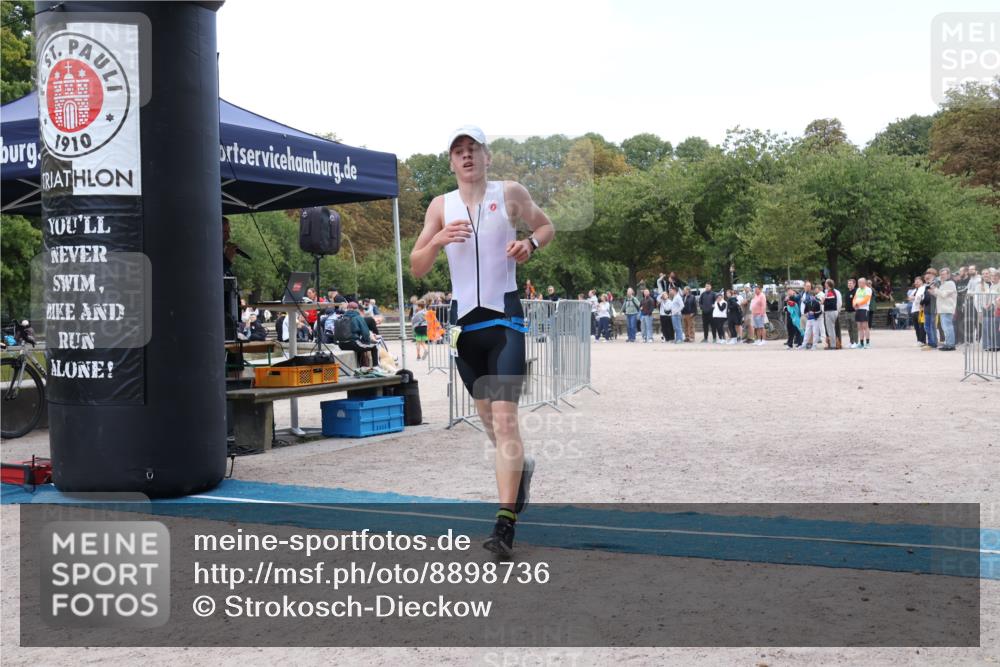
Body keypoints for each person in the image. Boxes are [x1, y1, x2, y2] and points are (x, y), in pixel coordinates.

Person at [409, 125, 554, 557]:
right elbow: (416, 266)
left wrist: (530, 244)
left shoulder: (510, 192)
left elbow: (546, 226)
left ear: (487, 156)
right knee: (490, 423)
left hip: (505, 321)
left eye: (473, 148)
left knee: (506, 421)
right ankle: (521, 465)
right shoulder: (441, 206)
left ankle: (504, 525)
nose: (467, 155)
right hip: (464, 331)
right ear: (451, 162)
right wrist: (437, 239)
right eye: (459, 151)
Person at [930, 267, 958, 351]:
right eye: (940, 274)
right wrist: (933, 291)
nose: (941, 276)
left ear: (948, 275)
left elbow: (944, 295)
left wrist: (935, 289)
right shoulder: (942, 284)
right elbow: (939, 296)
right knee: (945, 327)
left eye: (943, 274)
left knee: (948, 327)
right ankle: (947, 343)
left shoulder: (950, 283)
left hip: (947, 308)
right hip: (942, 309)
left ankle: (950, 345)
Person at [852, 277, 873, 349]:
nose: (859, 284)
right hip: (858, 309)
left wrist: (858, 304)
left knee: (865, 326)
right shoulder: (858, 289)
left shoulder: (868, 289)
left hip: (864, 309)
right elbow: (855, 298)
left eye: (860, 282)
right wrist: (854, 304)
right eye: (858, 282)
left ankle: (867, 343)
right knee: (859, 327)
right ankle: (861, 343)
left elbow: (866, 299)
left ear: (864, 283)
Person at [921, 269, 939, 350]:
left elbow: (934, 295)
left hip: (933, 308)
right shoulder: (928, 284)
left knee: (932, 326)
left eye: (929, 273)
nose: (927, 275)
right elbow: (926, 296)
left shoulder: (936, 283)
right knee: (927, 327)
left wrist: (922, 302)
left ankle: (933, 343)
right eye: (927, 273)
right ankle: (931, 342)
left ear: (933, 274)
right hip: (927, 308)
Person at [822, 279, 841, 350]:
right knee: (831, 329)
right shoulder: (831, 292)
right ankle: (833, 344)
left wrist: (823, 302)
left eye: (826, 283)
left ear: (828, 284)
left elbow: (830, 303)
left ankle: (833, 345)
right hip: (832, 312)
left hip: (830, 312)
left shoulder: (830, 292)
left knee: (830, 329)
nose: (825, 284)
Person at [909, 276, 927, 346]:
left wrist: (914, 298)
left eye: (918, 281)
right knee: (916, 326)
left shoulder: (923, 288)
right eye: (915, 281)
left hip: (920, 310)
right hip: (914, 310)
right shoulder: (914, 290)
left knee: (921, 326)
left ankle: (922, 340)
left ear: (922, 282)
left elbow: (919, 298)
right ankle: (919, 340)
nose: (916, 283)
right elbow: (910, 298)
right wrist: (914, 298)